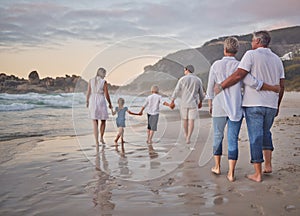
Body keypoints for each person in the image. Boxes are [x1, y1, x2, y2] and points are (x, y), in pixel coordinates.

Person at [207, 37, 280, 182]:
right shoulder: (240, 65)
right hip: (235, 108)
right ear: (237, 50)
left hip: (219, 107)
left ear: (224, 49)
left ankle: (217, 166)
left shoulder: (216, 65)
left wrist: (210, 104)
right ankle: (231, 173)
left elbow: (210, 88)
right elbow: (250, 83)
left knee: (217, 136)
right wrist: (272, 88)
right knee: (233, 139)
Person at [169, 65, 205, 144]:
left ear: (186, 70)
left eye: (184, 70)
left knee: (184, 120)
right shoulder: (198, 80)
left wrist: (172, 101)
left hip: (184, 103)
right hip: (193, 103)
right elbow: (201, 93)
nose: (184, 72)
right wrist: (201, 102)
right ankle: (189, 137)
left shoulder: (182, 79)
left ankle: (186, 135)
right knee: (191, 121)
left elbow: (176, 91)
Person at [86, 67, 113, 145]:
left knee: (95, 121)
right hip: (100, 99)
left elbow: (88, 92)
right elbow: (106, 94)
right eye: (104, 73)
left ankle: (96, 141)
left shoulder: (91, 80)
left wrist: (87, 101)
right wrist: (110, 103)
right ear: (102, 73)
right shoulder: (103, 82)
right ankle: (101, 137)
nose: (105, 75)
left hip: (92, 100)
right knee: (103, 120)